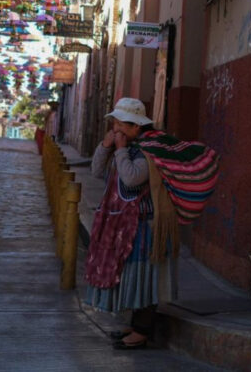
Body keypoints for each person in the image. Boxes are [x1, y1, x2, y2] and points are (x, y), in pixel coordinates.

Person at [85, 97, 219, 350]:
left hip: (145, 226)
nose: (116, 129)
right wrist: (105, 146)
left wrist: (120, 150)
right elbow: (96, 171)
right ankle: (134, 325)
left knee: (145, 278)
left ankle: (142, 331)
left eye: (121, 124)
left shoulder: (149, 150)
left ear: (136, 127)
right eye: (115, 123)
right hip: (124, 224)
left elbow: (132, 178)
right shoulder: (128, 146)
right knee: (131, 275)